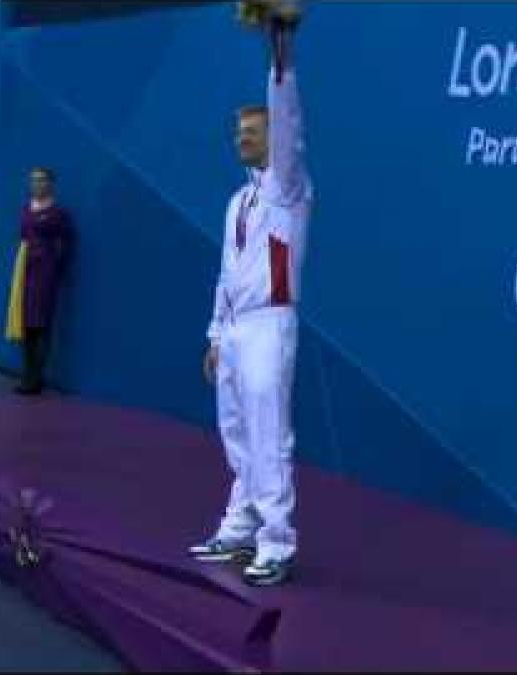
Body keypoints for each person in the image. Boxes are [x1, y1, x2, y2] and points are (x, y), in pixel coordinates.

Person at [188, 1, 311, 587]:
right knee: (236, 431)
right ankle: (240, 524)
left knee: (268, 433)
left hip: (270, 324)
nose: (242, 138)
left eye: (253, 131)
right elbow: (225, 275)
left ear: (273, 140)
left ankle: (277, 541)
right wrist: (215, 336)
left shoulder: (288, 189)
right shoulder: (238, 203)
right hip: (236, 328)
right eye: (238, 131)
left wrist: (278, 39)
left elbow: (287, 113)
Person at [4, 166, 73, 395]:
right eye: (33, 180)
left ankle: (36, 378)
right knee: (25, 325)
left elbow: (68, 242)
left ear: (51, 184)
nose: (37, 184)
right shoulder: (25, 209)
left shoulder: (58, 214)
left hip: (44, 274)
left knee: (40, 325)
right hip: (25, 271)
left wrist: (57, 269)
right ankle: (27, 374)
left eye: (42, 180)